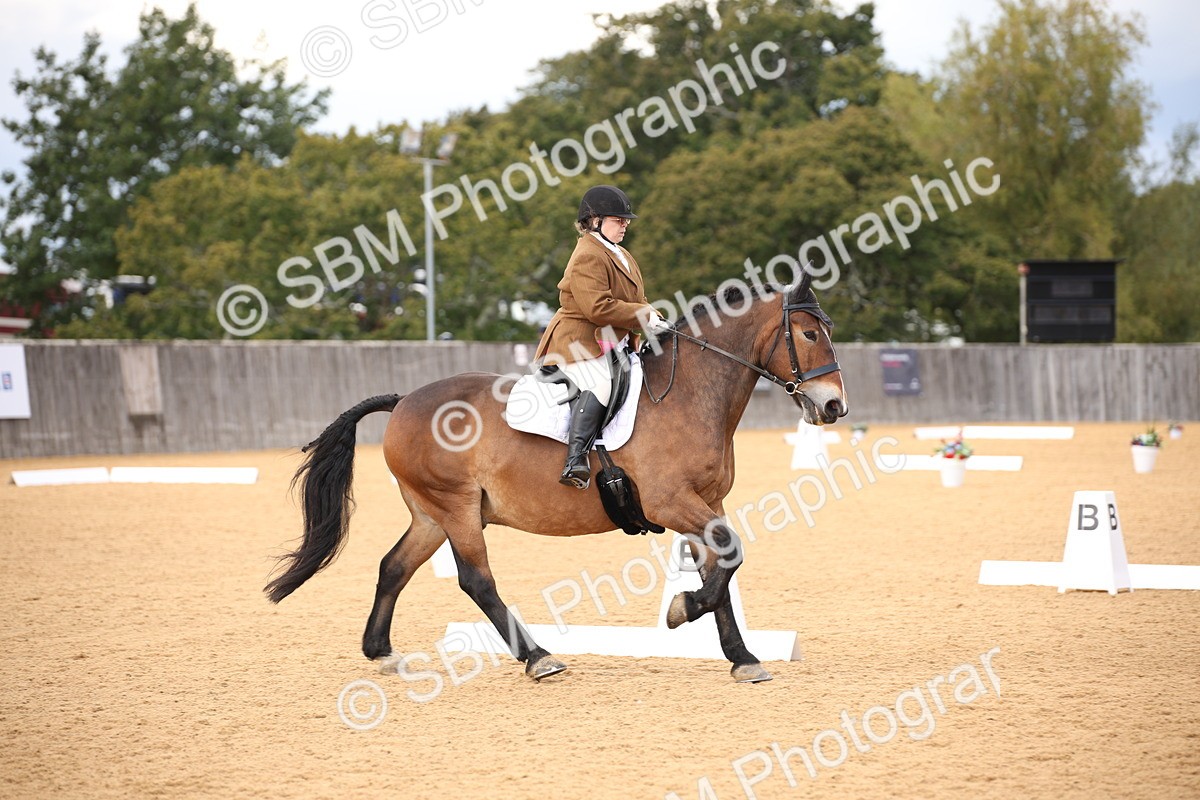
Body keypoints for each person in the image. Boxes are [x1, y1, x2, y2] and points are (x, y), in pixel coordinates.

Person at [534, 185, 672, 489]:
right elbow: (597, 307)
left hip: (613, 341)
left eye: (626, 221)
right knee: (600, 381)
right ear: (594, 220)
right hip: (579, 343)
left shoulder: (621, 254)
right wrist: (643, 316)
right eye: (618, 220)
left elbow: (638, 299)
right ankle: (576, 459)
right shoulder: (587, 254)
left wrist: (654, 319)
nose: (625, 225)